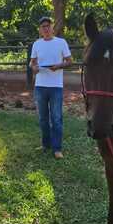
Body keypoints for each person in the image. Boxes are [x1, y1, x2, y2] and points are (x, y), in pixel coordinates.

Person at [30, 16, 73, 159]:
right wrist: (34, 68)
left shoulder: (61, 42)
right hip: (40, 86)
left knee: (56, 118)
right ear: (40, 30)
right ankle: (45, 144)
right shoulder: (36, 44)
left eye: (48, 26)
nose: (46, 28)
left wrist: (59, 66)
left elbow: (69, 61)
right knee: (43, 118)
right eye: (43, 27)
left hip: (56, 86)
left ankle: (57, 148)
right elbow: (32, 63)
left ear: (52, 27)